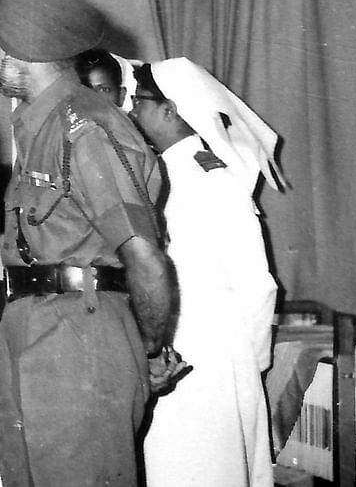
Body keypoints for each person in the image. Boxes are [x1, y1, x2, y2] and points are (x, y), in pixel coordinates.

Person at [0, 0, 186, 487]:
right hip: (31, 330)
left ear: (18, 47)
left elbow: (145, 258)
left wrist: (152, 347)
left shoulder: (87, 127)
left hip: (81, 340)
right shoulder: (40, 125)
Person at [130, 58, 284, 487]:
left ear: (169, 110)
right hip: (169, 348)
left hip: (211, 358)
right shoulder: (158, 172)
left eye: (140, 102)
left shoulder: (213, 179)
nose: (131, 111)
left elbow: (257, 284)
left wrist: (247, 363)